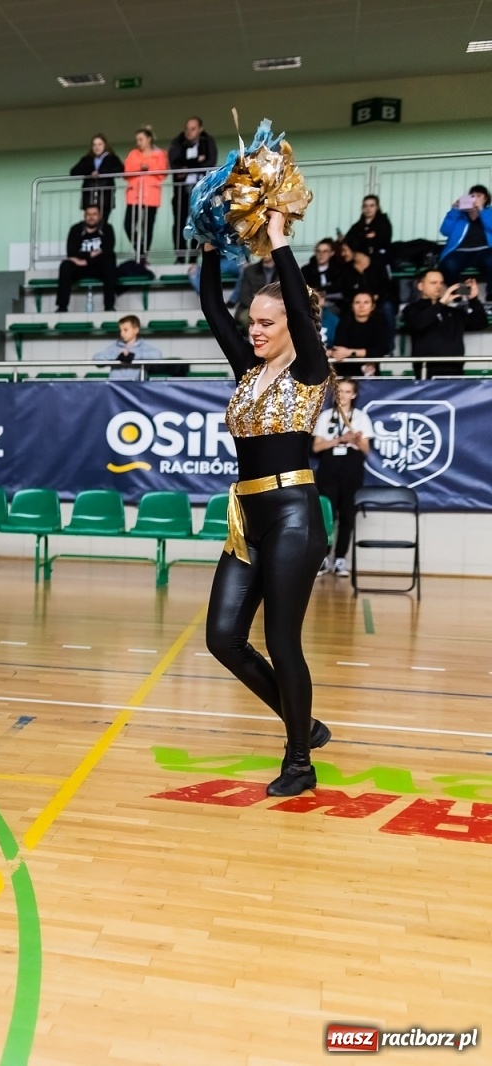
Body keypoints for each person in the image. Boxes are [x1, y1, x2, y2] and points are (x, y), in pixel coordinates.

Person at [199, 210, 336, 798]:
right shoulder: (247, 370)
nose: (253, 330)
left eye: (265, 322)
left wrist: (278, 240)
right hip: (247, 517)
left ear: (291, 323)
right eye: (251, 320)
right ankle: (302, 721)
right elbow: (210, 305)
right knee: (222, 637)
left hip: (293, 517)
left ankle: (299, 761)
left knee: (282, 642)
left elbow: (300, 312)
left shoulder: (309, 371)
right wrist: (208, 242)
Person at [312, 378, 373, 578]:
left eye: (348, 391)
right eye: (340, 391)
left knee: (347, 515)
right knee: (326, 516)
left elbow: (366, 450)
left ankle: (340, 559)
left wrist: (356, 440)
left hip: (351, 468)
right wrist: (339, 439)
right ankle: (322, 558)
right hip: (329, 468)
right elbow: (316, 447)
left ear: (353, 395)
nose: (343, 395)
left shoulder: (361, 417)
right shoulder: (326, 416)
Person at [403, 269, 487, 378]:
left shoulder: (453, 311)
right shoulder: (411, 309)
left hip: (455, 370)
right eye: (433, 283)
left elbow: (480, 323)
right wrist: (441, 303)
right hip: (426, 372)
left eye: (441, 283)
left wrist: (474, 299)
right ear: (421, 286)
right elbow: (419, 323)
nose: (438, 286)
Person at [167, 117, 217, 260]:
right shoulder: (177, 142)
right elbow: (174, 164)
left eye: (193, 129)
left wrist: (187, 166)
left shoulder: (208, 142)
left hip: (200, 190)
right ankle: (180, 256)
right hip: (181, 189)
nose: (189, 132)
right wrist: (196, 162)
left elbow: (210, 162)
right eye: (187, 129)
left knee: (199, 221)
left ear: (200, 129)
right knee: (179, 222)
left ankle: (195, 255)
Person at [56, 204, 120, 313]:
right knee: (65, 265)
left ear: (99, 216)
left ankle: (109, 307)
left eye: (94, 214)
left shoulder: (107, 229)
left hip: (98, 267)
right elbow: (71, 252)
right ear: (84, 216)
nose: (91, 217)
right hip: (80, 268)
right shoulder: (75, 229)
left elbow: (107, 251)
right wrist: (91, 255)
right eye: (88, 214)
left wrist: (85, 260)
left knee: (109, 262)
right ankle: (62, 307)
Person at [123, 128, 167, 264]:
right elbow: (126, 172)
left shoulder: (159, 154)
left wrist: (148, 167)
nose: (138, 142)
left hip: (151, 196)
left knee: (147, 227)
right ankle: (140, 250)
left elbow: (163, 172)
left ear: (149, 139)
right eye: (137, 140)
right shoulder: (133, 154)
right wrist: (141, 168)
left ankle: (143, 255)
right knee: (128, 224)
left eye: (141, 139)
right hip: (134, 195)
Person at [301, 238, 358, 338]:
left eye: (325, 251)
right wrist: (316, 299)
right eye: (318, 251)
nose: (321, 254)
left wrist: (325, 297)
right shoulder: (306, 270)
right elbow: (302, 289)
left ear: (331, 253)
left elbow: (345, 291)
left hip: (335, 305)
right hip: (312, 305)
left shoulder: (340, 270)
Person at [438, 184, 492, 285]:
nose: (475, 198)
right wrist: (454, 210)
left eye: (479, 195)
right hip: (460, 252)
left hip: (485, 250)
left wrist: (482, 211)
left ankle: (490, 295)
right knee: (448, 265)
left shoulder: (489, 213)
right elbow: (445, 231)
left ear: (486, 199)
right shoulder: (459, 215)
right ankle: (457, 294)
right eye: (472, 196)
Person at [327, 291, 390, 377]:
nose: (361, 306)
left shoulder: (380, 322)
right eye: (357, 302)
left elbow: (382, 349)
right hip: (345, 369)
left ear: (373, 306)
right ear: (352, 306)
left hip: (371, 370)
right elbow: (339, 348)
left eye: (366, 302)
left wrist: (350, 352)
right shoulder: (345, 322)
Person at [70, 133, 124, 220]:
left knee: (103, 223)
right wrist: (89, 173)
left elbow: (120, 170)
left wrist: (101, 173)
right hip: (89, 197)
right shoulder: (87, 159)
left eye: (99, 144)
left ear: (105, 145)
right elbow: (73, 172)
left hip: (105, 197)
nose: (97, 147)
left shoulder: (112, 158)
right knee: (90, 224)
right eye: (94, 144)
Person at [94, 316, 164, 379]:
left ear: (136, 330)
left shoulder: (143, 346)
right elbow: (96, 359)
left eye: (125, 330)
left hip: (135, 387)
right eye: (120, 330)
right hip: (115, 387)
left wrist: (133, 356)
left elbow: (158, 355)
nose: (122, 333)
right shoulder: (115, 346)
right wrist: (117, 356)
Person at [344, 195, 392, 264]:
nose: (368, 209)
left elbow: (384, 240)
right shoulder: (357, 226)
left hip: (378, 261)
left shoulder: (383, 224)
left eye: (371, 206)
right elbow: (349, 241)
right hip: (359, 261)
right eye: (365, 206)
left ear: (377, 207)